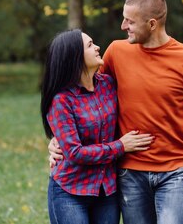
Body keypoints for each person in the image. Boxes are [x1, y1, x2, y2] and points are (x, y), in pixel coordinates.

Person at [49, 0, 183, 224]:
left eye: (130, 21)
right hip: (129, 172)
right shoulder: (117, 52)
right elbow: (87, 93)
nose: (122, 26)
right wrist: (58, 138)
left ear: (151, 24)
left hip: (176, 171)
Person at [41, 29, 154, 224]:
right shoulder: (61, 100)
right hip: (70, 191)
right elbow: (75, 153)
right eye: (90, 45)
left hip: (106, 191)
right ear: (75, 56)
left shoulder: (108, 84)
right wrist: (121, 146)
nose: (97, 47)